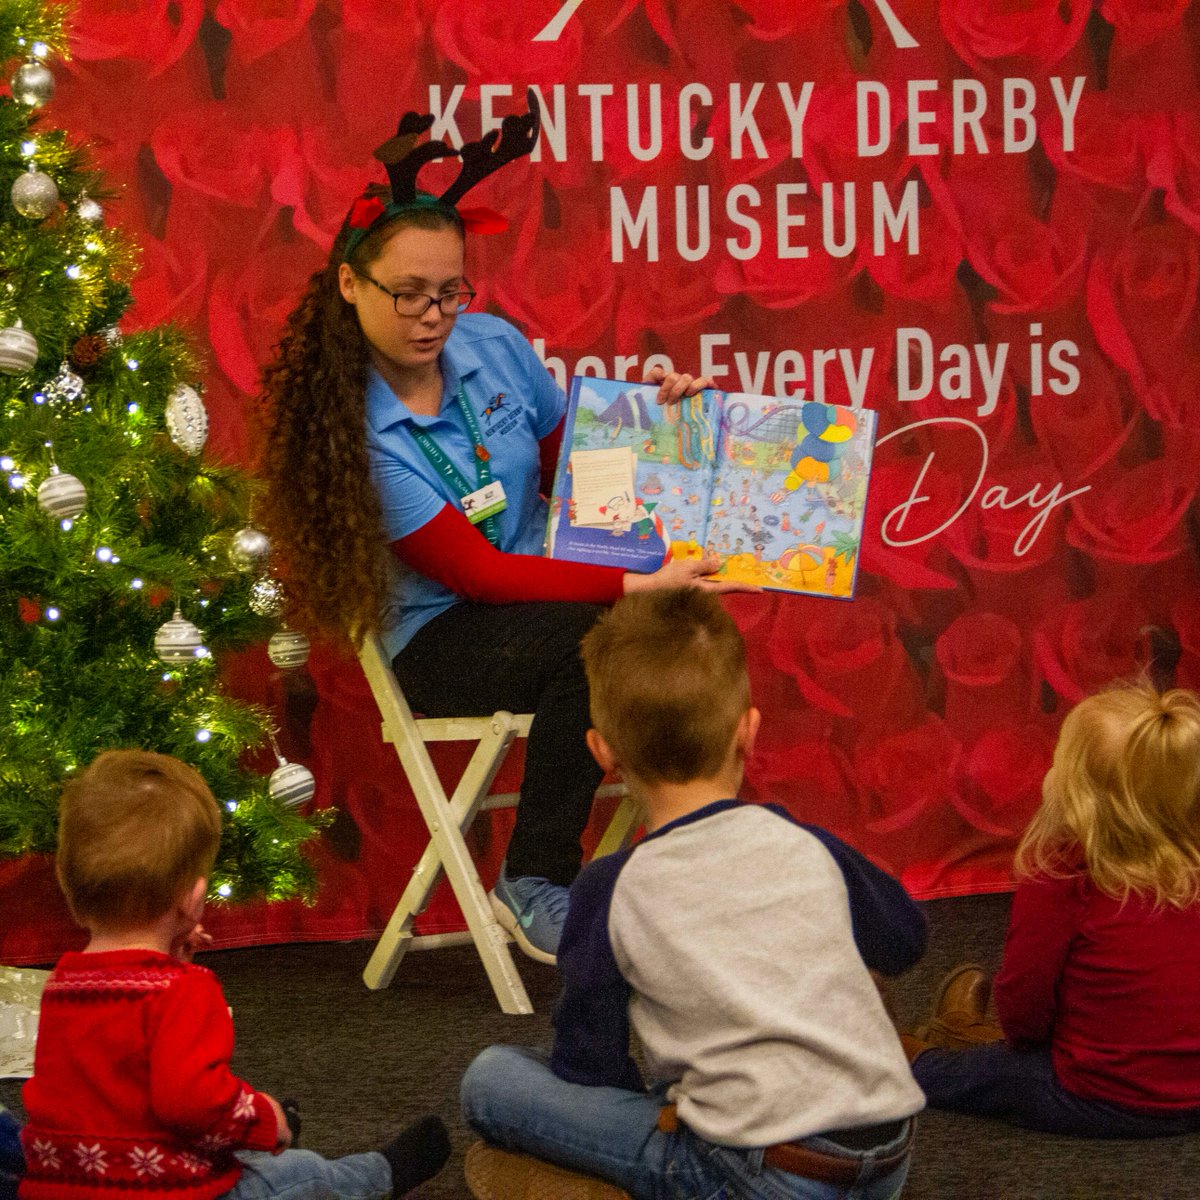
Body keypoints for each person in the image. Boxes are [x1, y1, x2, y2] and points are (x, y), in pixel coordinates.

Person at [258, 95, 748, 964]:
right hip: (441, 640)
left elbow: (583, 469)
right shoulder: (359, 433)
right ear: (349, 284)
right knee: (598, 640)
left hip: (557, 600)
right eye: (407, 293)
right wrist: (630, 585)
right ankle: (535, 881)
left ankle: (687, 864)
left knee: (676, 628)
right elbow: (480, 576)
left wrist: (665, 424)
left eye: (449, 292)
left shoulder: (495, 347)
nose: (432, 314)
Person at [460, 589, 927, 1200]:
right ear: (748, 731)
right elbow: (904, 940)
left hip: (754, 1175)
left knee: (492, 1079)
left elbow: (590, 1067)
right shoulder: (805, 841)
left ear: (601, 750)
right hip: (887, 1158)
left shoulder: (609, 888)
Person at [19, 749, 450, 1198]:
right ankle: (380, 1174)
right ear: (194, 898)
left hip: (63, 1189)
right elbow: (189, 1102)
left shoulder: (62, 985)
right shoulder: (184, 991)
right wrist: (264, 1116)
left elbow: (109, 1085)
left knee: (245, 1154)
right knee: (302, 1175)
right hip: (172, 1192)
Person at [905, 682, 1200, 1138]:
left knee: (976, 1072)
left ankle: (925, 1054)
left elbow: (1024, 1014)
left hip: (1100, 1098)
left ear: (1074, 792)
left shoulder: (1062, 876)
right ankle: (961, 1033)